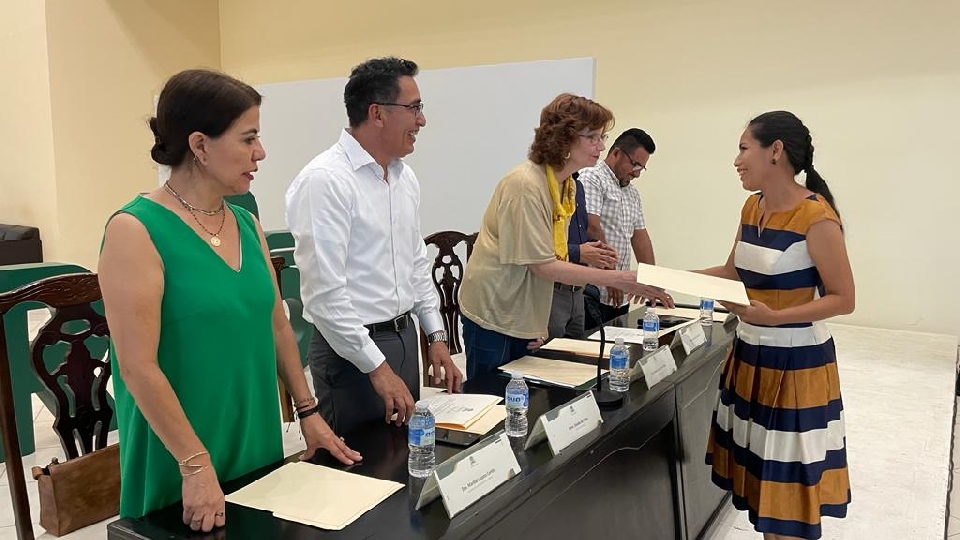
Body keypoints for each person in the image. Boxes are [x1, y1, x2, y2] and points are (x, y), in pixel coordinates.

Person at [98, 69, 361, 530]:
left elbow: (276, 324)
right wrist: (194, 465)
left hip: (253, 432)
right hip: (182, 450)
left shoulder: (245, 224)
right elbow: (137, 367)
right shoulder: (134, 230)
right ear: (200, 145)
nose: (261, 152)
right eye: (248, 139)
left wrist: (309, 412)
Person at [286, 57, 463, 436]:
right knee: (359, 464)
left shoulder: (403, 177)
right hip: (351, 352)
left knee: (406, 451)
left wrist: (435, 336)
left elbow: (416, 264)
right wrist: (377, 368)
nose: (422, 120)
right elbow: (325, 295)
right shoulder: (325, 181)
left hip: (402, 338)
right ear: (377, 113)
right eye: (414, 108)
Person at [702, 111, 855, 540]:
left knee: (788, 495)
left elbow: (844, 298)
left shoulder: (816, 217)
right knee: (763, 485)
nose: (736, 160)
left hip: (795, 366)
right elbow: (733, 272)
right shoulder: (752, 206)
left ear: (775, 151)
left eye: (743, 148)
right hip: (751, 356)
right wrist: (665, 279)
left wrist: (775, 317)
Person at [458, 93, 674, 380]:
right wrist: (618, 278)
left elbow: (552, 257)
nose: (602, 146)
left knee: (529, 394)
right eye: (593, 137)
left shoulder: (566, 186)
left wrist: (537, 320)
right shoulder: (525, 184)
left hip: (524, 311)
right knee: (494, 396)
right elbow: (542, 264)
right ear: (564, 138)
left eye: (602, 137)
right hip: (496, 313)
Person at [579, 128, 657, 328]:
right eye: (635, 164)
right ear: (616, 153)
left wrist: (653, 282)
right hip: (593, 291)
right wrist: (612, 277)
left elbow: (640, 238)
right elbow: (592, 227)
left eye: (642, 168)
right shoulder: (592, 177)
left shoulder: (632, 193)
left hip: (619, 295)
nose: (637, 173)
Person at [547, 173, 618, 339]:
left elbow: (580, 233)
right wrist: (578, 252)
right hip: (553, 290)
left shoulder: (577, 186)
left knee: (576, 350)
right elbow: (539, 248)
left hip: (578, 291)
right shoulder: (544, 185)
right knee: (549, 351)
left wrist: (599, 251)